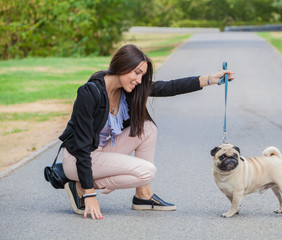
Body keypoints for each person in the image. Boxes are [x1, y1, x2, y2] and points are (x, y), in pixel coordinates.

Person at [60, 44, 235, 220]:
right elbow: (82, 147)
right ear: (121, 66)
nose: (139, 79)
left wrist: (210, 79)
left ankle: (143, 195)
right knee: (147, 172)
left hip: (102, 153)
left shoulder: (128, 89)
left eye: (142, 75)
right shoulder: (90, 93)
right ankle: (81, 187)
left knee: (147, 128)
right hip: (77, 159)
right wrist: (90, 194)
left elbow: (168, 87)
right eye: (136, 72)